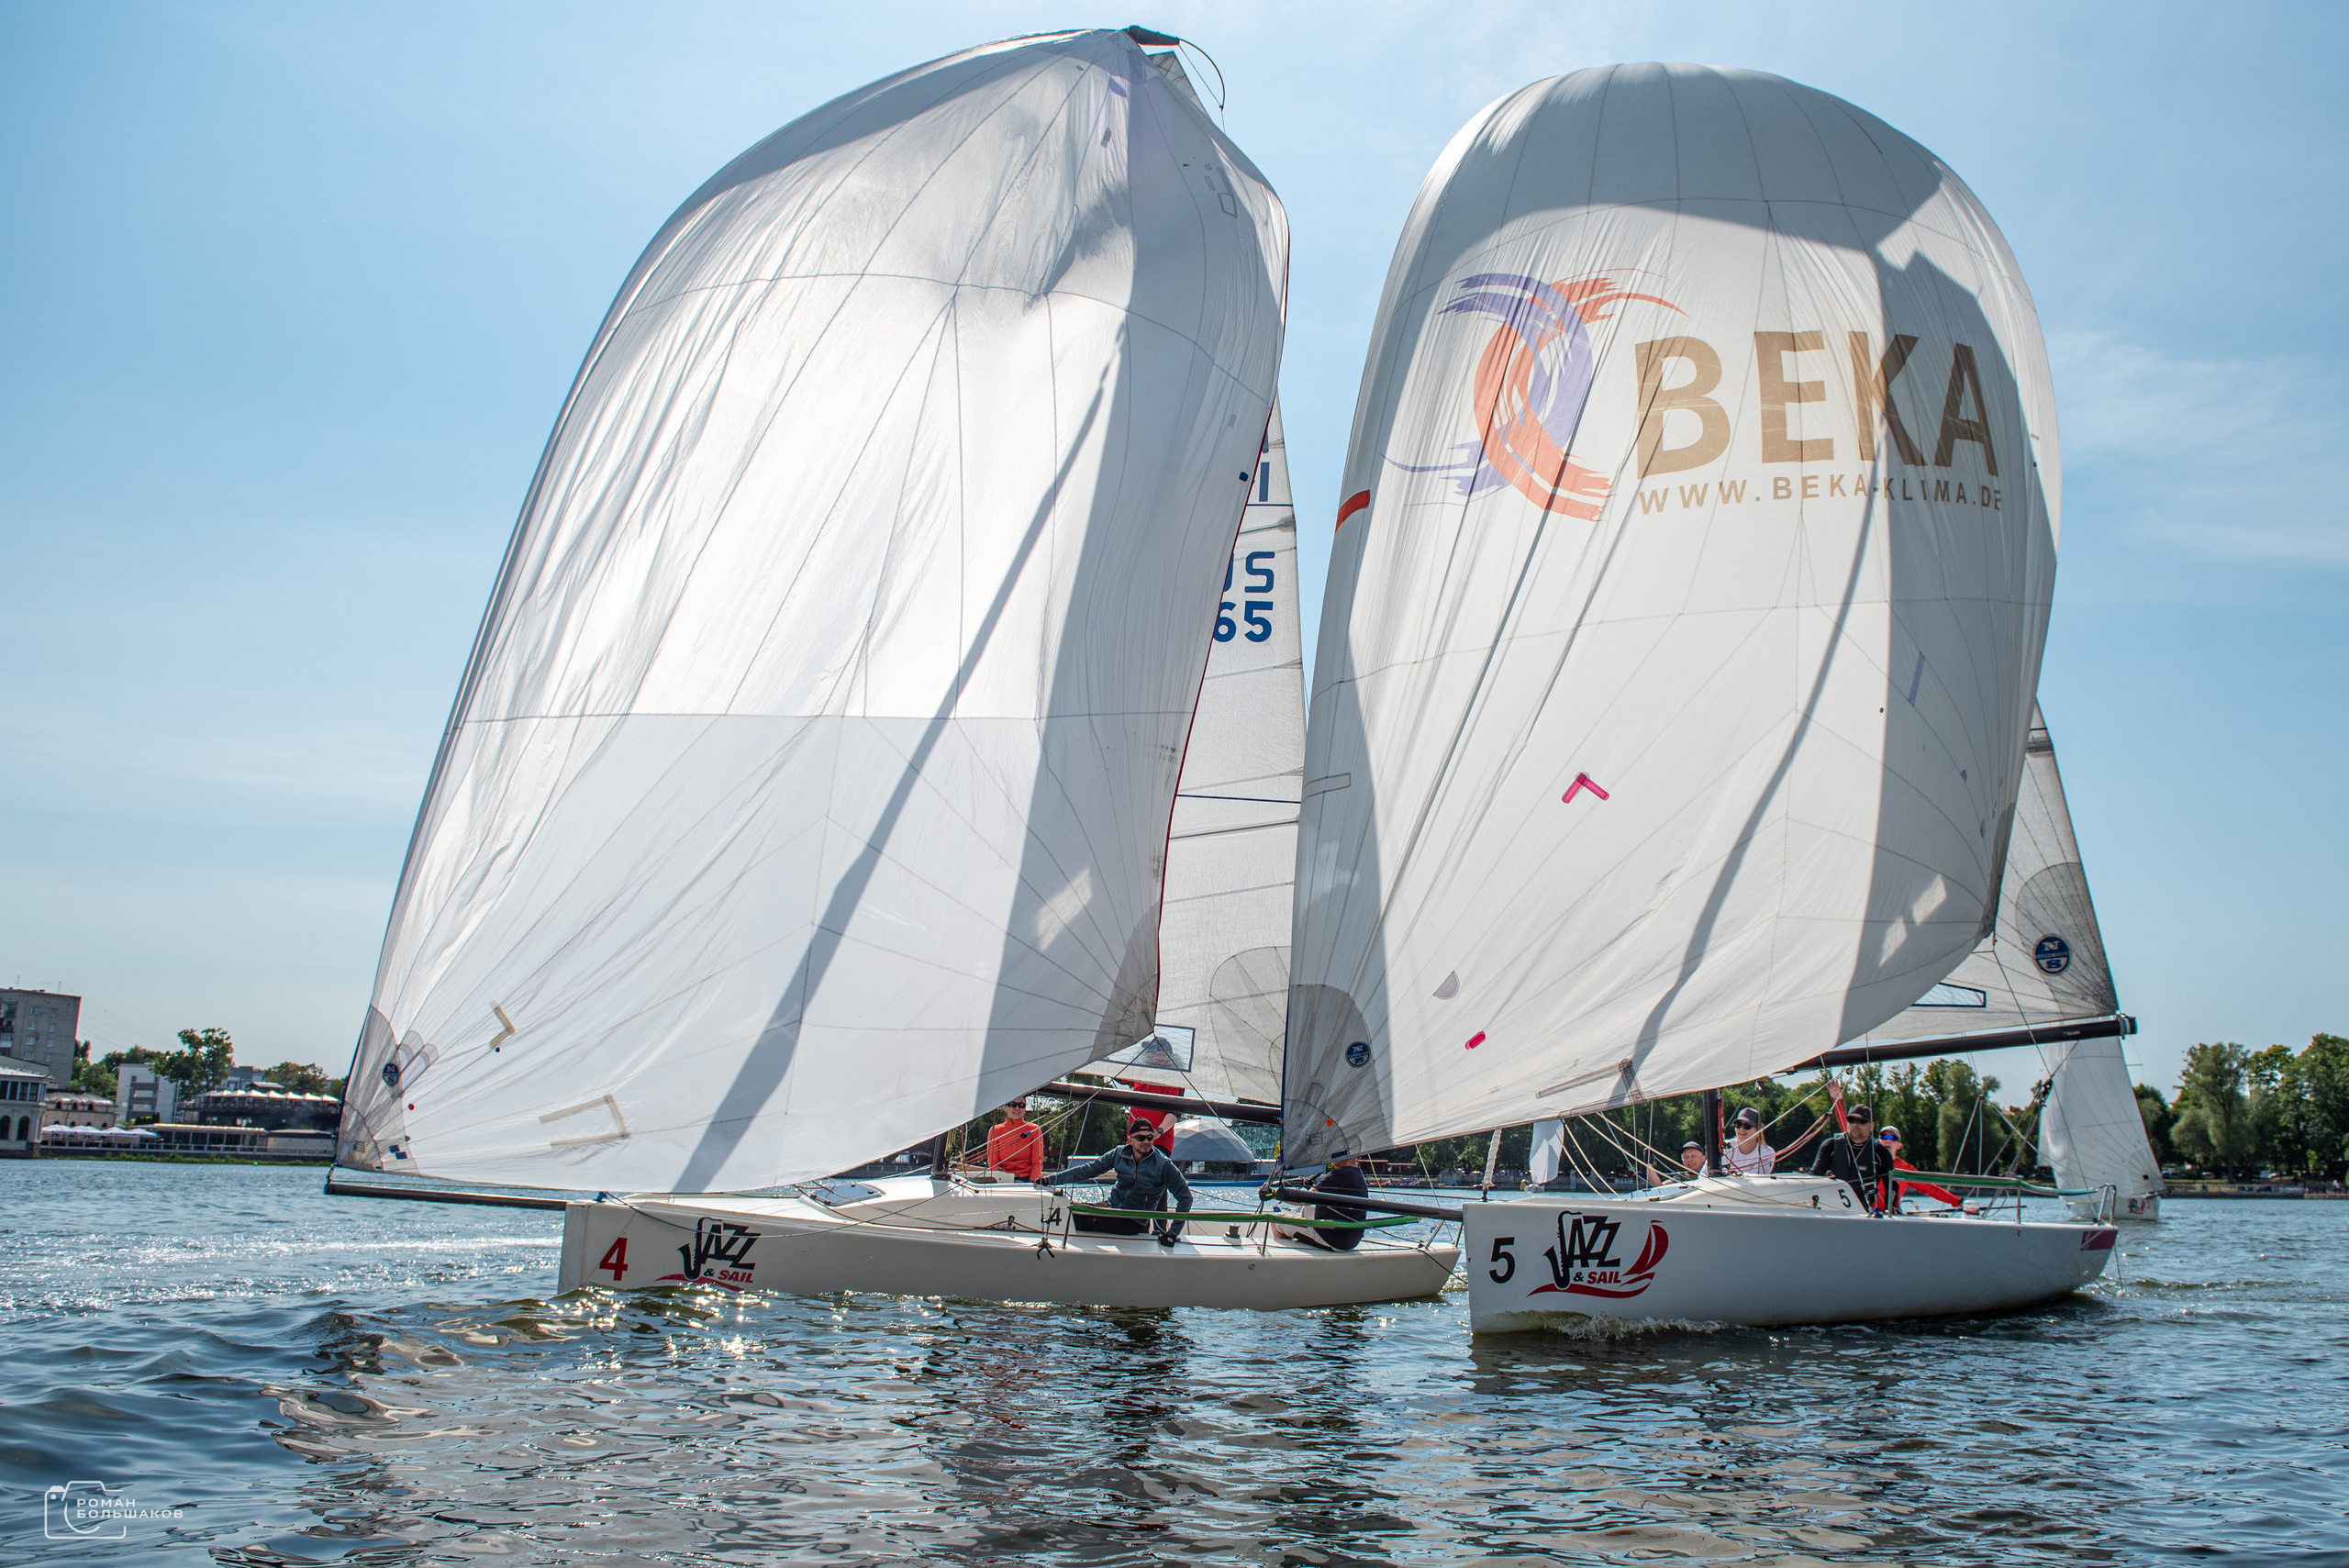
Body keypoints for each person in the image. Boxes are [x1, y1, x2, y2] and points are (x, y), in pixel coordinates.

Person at [1043, 1118, 1193, 1244]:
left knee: (1082, 1220)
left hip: (1134, 1221)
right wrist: (1051, 1180)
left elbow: (1185, 1197)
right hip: (1111, 1208)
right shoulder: (1118, 1153)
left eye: (1150, 1138)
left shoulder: (1163, 1164)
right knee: (1072, 1212)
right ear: (1130, 1140)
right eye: (1141, 1138)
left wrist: (1172, 1233)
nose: (1146, 1141)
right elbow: (1088, 1170)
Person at [1809, 1103, 1899, 1213]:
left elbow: (1892, 1185)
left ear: (1872, 1126)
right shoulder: (1830, 1146)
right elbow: (1813, 1177)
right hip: (1829, 1211)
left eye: (1861, 1121)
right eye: (1852, 1121)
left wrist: (1889, 1208)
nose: (1855, 1125)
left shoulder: (1880, 1152)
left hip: (1862, 1214)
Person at [1295, 1151, 1372, 1251]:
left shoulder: (1341, 1174)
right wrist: (1311, 1188)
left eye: (1336, 1151)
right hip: (1351, 1239)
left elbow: (1305, 1200)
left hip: (1333, 1239)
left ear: (1349, 1155)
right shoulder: (1356, 1173)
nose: (1331, 1156)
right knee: (1308, 1209)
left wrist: (1276, 1194)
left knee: (1277, 1221)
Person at [1879, 1126, 1962, 1210]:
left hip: (1889, 1215)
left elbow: (1930, 1189)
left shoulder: (1905, 1169)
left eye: (1893, 1138)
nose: (1888, 1141)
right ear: (1878, 1141)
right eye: (1884, 1137)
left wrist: (1957, 1201)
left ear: (1899, 1146)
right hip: (1866, 1213)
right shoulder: (1868, 1161)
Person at [985, 1103, 1043, 1182]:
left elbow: (1037, 1162)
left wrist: (1033, 1181)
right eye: (1012, 1105)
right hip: (1002, 1180)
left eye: (1021, 1105)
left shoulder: (1034, 1129)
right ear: (1005, 1107)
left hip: (1027, 1180)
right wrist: (999, 1177)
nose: (1017, 1108)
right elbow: (993, 1162)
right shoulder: (995, 1130)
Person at [1721, 1106, 1776, 1175]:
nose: (1741, 1129)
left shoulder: (1767, 1153)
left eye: (1747, 1126)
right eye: (1738, 1125)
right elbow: (1704, 1174)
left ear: (1758, 1131)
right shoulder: (1723, 1147)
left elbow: (1755, 1181)